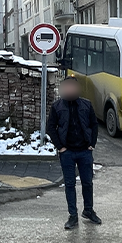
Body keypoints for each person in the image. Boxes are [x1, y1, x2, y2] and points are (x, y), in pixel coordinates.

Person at [47, 76, 101, 230]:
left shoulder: (86, 104)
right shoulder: (57, 107)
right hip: (67, 152)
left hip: (84, 151)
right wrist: (60, 147)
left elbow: (94, 124)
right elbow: (51, 127)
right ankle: (73, 216)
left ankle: (88, 211)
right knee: (70, 184)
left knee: (87, 183)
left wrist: (92, 144)